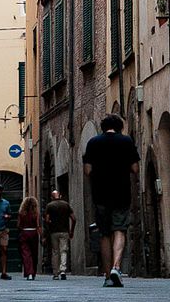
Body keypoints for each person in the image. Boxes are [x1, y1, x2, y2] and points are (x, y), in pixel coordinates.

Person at [83, 114, 140, 287]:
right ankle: (117, 267)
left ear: (103, 126)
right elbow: (135, 168)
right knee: (120, 230)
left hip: (100, 194)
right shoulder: (126, 141)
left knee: (105, 234)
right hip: (121, 192)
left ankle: (108, 276)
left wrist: (99, 175)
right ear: (119, 127)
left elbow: (87, 170)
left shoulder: (93, 142)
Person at [45, 187, 76, 279]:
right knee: (64, 251)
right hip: (64, 231)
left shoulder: (49, 206)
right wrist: (71, 230)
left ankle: (55, 273)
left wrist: (50, 224)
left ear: (51, 197)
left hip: (54, 232)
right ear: (60, 196)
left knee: (55, 252)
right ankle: (63, 270)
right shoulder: (66, 205)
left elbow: (47, 220)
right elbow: (74, 219)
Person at [18, 195, 40, 279]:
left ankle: (29, 272)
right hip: (33, 232)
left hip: (24, 232)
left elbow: (19, 225)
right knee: (34, 253)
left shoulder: (21, 213)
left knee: (26, 254)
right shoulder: (35, 213)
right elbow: (38, 225)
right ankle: (33, 272)